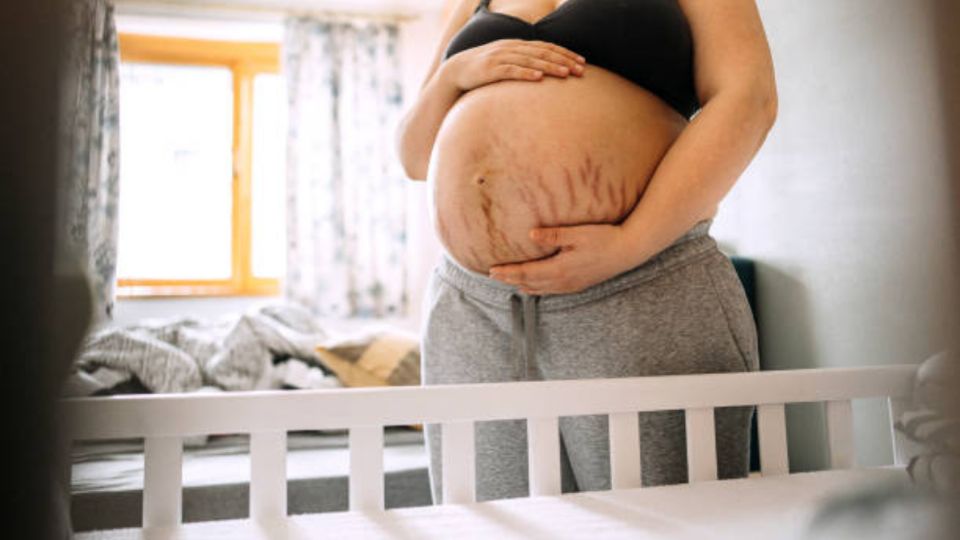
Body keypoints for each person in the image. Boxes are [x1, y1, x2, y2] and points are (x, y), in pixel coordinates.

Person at [395, 0, 778, 504]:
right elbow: (415, 157)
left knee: (668, 521)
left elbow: (747, 98)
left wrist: (630, 242)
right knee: (486, 522)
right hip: (475, 305)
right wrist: (453, 75)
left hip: (639, 284)